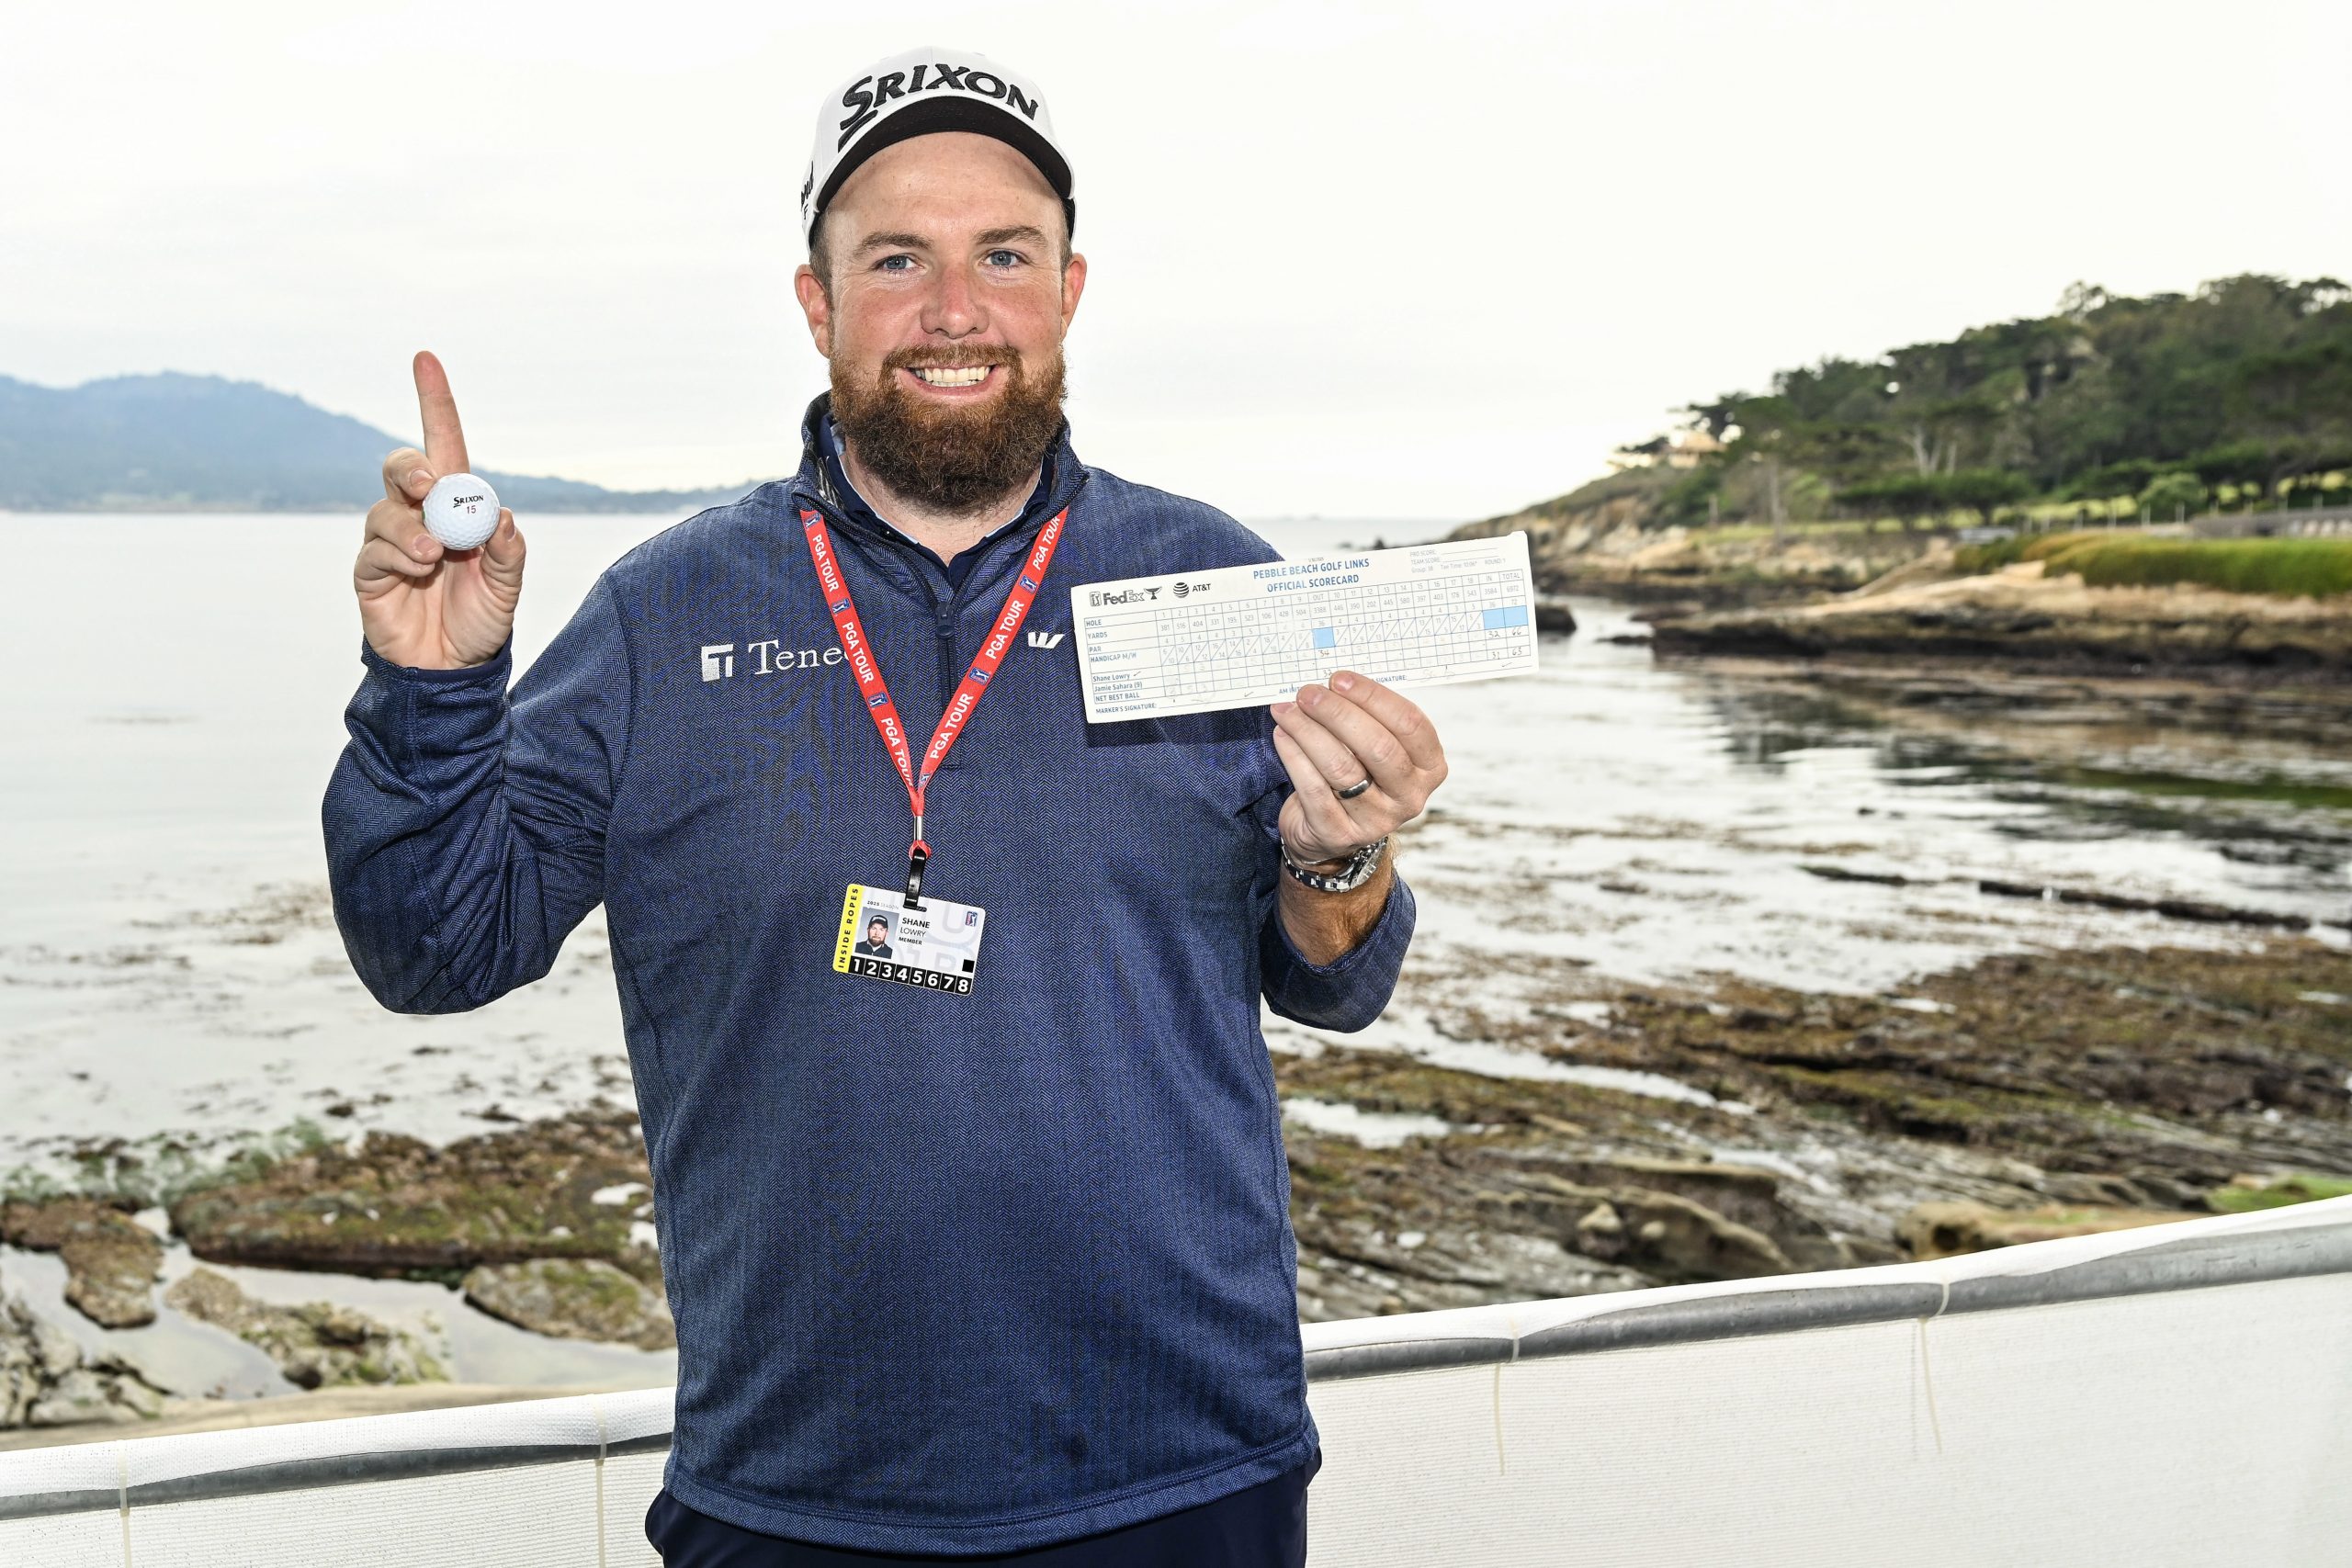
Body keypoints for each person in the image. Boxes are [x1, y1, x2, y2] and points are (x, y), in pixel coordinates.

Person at [326, 44, 1448, 1567]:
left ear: (1069, 289)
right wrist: (429, 690)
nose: (954, 309)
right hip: (793, 1484)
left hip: (1186, 1466)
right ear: (817, 302)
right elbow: (434, 948)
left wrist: (1346, 853)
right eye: (897, 259)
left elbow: (1339, 978)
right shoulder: (668, 610)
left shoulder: (1214, 580)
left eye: (1004, 255)